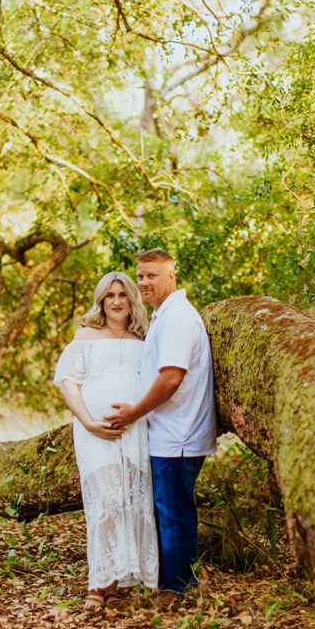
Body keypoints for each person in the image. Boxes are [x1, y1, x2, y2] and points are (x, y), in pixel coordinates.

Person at [105, 249, 217, 597]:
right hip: (168, 434)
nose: (143, 282)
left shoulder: (177, 318)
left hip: (178, 436)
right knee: (168, 512)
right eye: (140, 275)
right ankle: (172, 586)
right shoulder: (164, 316)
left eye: (152, 275)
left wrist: (132, 413)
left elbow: (171, 378)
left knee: (174, 516)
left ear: (172, 275)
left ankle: (182, 591)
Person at [53, 272, 159, 610]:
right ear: (101, 300)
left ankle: (116, 586)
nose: (116, 301)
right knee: (107, 503)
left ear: (132, 300)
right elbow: (68, 383)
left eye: (122, 295)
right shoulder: (86, 336)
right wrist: (89, 423)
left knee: (130, 503)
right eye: (109, 295)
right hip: (95, 433)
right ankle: (97, 586)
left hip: (136, 433)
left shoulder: (143, 338)